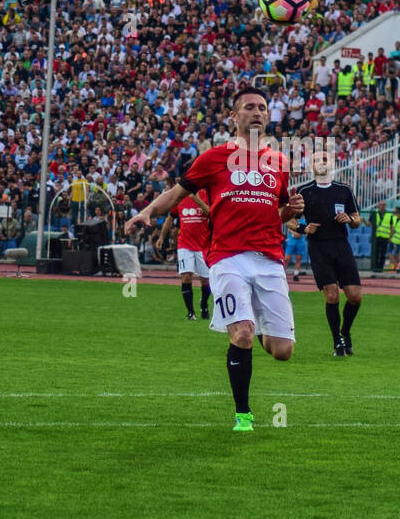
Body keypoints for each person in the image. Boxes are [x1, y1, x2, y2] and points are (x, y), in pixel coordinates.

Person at [123, 88, 305, 433]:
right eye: (249, 107)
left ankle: (258, 323)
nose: (257, 112)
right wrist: (147, 211)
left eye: (262, 108)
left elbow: (278, 212)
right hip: (227, 257)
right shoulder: (213, 158)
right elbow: (177, 193)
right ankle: (244, 415)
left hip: (269, 260)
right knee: (242, 334)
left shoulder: (280, 162)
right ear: (233, 117)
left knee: (282, 351)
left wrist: (291, 210)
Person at [289, 150, 363, 357]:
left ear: (331, 163)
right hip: (319, 247)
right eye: (316, 160)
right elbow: (289, 220)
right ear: (311, 166)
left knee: (355, 297)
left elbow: (357, 219)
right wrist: (303, 229)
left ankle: (345, 332)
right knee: (331, 295)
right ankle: (337, 343)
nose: (321, 163)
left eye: (324, 159)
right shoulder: (303, 191)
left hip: (341, 245)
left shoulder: (344, 190)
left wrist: (350, 218)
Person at [157, 190, 212, 320]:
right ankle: (191, 312)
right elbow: (170, 218)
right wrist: (161, 237)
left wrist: (197, 199)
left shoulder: (207, 194)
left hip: (203, 245)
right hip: (185, 245)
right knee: (186, 277)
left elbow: (211, 213)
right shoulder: (180, 198)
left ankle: (203, 303)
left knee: (206, 281)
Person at [369, 201, 393, 272]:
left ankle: (380, 268)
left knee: (383, 254)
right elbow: (369, 224)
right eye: (381, 205)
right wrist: (363, 221)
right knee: (375, 252)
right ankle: (375, 268)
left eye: (384, 205)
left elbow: (392, 227)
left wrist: (390, 237)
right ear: (378, 206)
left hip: (385, 237)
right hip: (376, 237)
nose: (382, 206)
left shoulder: (389, 215)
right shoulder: (374, 214)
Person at [385, 206, 400, 273]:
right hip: (393, 239)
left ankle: (397, 267)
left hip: (398, 239)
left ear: (398, 212)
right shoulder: (393, 218)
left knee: (396, 254)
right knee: (389, 253)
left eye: (394, 211)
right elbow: (392, 228)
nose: (393, 213)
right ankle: (396, 266)